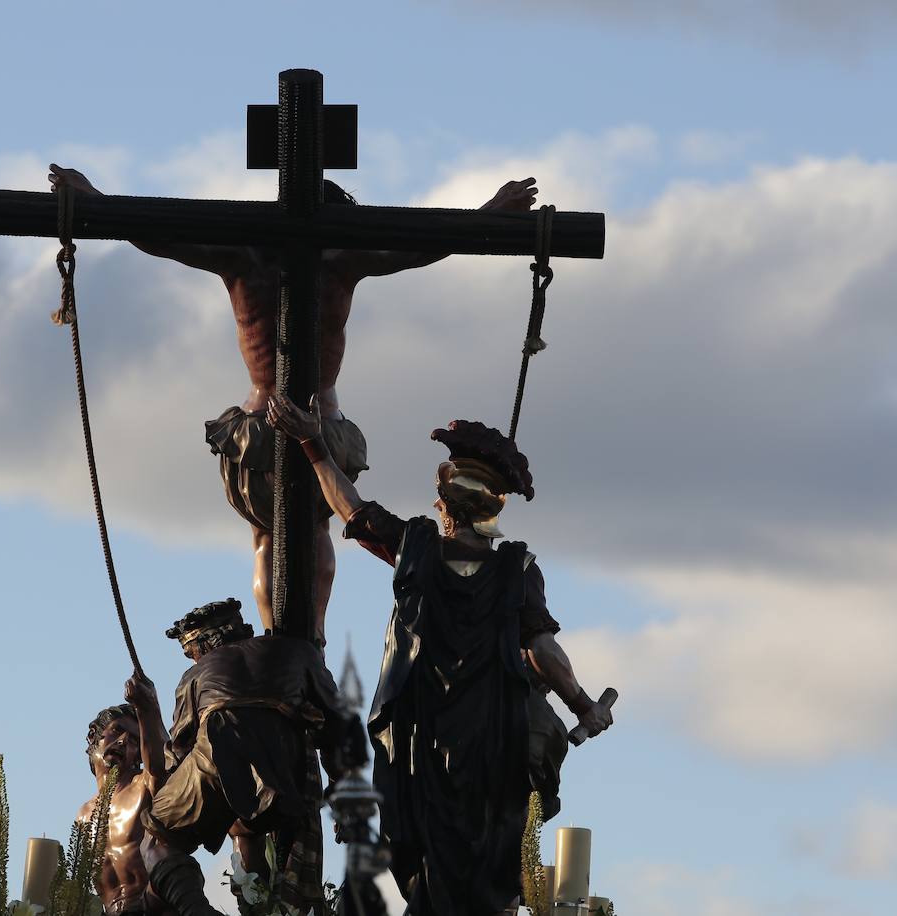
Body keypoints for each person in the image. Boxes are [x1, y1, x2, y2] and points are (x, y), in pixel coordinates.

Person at [48, 164, 539, 645]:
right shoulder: (340, 257)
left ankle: (281, 639)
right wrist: (488, 212)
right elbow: (425, 245)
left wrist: (97, 201)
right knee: (320, 528)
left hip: (261, 421)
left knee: (268, 537)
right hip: (316, 423)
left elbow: (157, 235)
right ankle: (310, 640)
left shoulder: (245, 255)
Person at [266, 399, 615, 916]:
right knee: (490, 837)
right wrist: (584, 705)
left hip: (419, 735)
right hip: (491, 734)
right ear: (492, 508)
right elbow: (542, 650)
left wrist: (312, 443)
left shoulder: (417, 547)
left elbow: (351, 509)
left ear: (444, 500)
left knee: (428, 844)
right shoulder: (516, 568)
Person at [125, 598, 366, 916]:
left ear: (205, 643)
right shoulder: (301, 651)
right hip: (288, 762)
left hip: (221, 748)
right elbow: (339, 725)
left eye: (191, 651)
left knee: (157, 840)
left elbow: (177, 756)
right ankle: (258, 906)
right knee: (243, 823)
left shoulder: (195, 676)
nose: (192, 658)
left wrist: (148, 716)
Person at [77, 698, 174, 915]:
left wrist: (149, 706)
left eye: (133, 741)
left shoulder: (144, 786)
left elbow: (166, 763)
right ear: (94, 736)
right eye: (117, 731)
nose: (122, 741)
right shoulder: (83, 816)